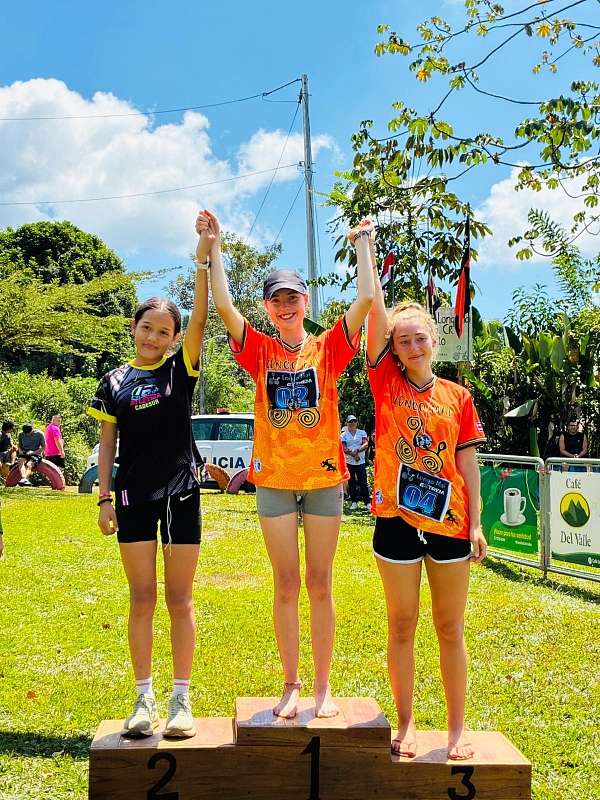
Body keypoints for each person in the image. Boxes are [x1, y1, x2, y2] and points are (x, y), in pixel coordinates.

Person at [200, 208, 374, 718]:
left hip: (323, 479)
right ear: (267, 307)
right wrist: (214, 248)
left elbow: (366, 299)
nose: (285, 306)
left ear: (305, 302)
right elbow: (224, 306)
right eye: (276, 299)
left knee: (320, 582)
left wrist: (363, 241)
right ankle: (291, 683)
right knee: (286, 583)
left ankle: (322, 688)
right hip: (274, 480)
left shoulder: (329, 348)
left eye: (292, 298)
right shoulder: (258, 350)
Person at [87, 237, 208, 739]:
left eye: (164, 331)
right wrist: (104, 498)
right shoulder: (113, 382)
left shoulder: (181, 369)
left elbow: (201, 317)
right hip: (132, 498)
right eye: (146, 328)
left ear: (176, 338)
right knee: (141, 599)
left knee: (180, 599)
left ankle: (181, 700)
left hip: (182, 494)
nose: (153, 337)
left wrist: (203, 257)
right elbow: (107, 444)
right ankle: (143, 698)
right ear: (133, 328)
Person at [366, 256, 487, 761]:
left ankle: (457, 729)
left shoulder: (459, 397)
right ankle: (407, 722)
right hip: (395, 521)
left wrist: (477, 523)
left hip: (450, 524)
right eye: (403, 341)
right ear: (392, 349)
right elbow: (373, 311)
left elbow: (468, 464)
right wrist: (366, 248)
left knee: (449, 628)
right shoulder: (385, 384)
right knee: (401, 625)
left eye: (420, 338)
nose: (413, 347)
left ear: (435, 340)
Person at [340, 415, 370, 509]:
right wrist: (353, 454)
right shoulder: (343, 435)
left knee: (363, 482)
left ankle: (367, 502)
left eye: (354, 421)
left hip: (360, 461)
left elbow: (365, 444)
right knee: (351, 482)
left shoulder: (362, 432)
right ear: (347, 423)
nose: (352, 423)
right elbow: (343, 447)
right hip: (349, 461)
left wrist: (357, 451)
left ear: (357, 422)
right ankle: (354, 502)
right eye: (350, 421)